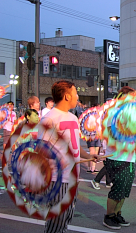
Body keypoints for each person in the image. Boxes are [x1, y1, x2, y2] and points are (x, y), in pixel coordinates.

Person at [38, 80, 100, 233]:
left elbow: (75, 146)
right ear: (66, 96)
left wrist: (90, 156)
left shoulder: (72, 118)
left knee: (67, 216)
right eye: (75, 93)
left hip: (72, 177)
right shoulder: (49, 119)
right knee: (56, 222)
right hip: (57, 179)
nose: (77, 97)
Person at [103, 86, 136, 230]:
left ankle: (117, 214)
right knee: (117, 189)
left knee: (125, 190)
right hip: (117, 157)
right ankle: (109, 216)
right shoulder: (114, 112)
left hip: (129, 158)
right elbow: (112, 135)